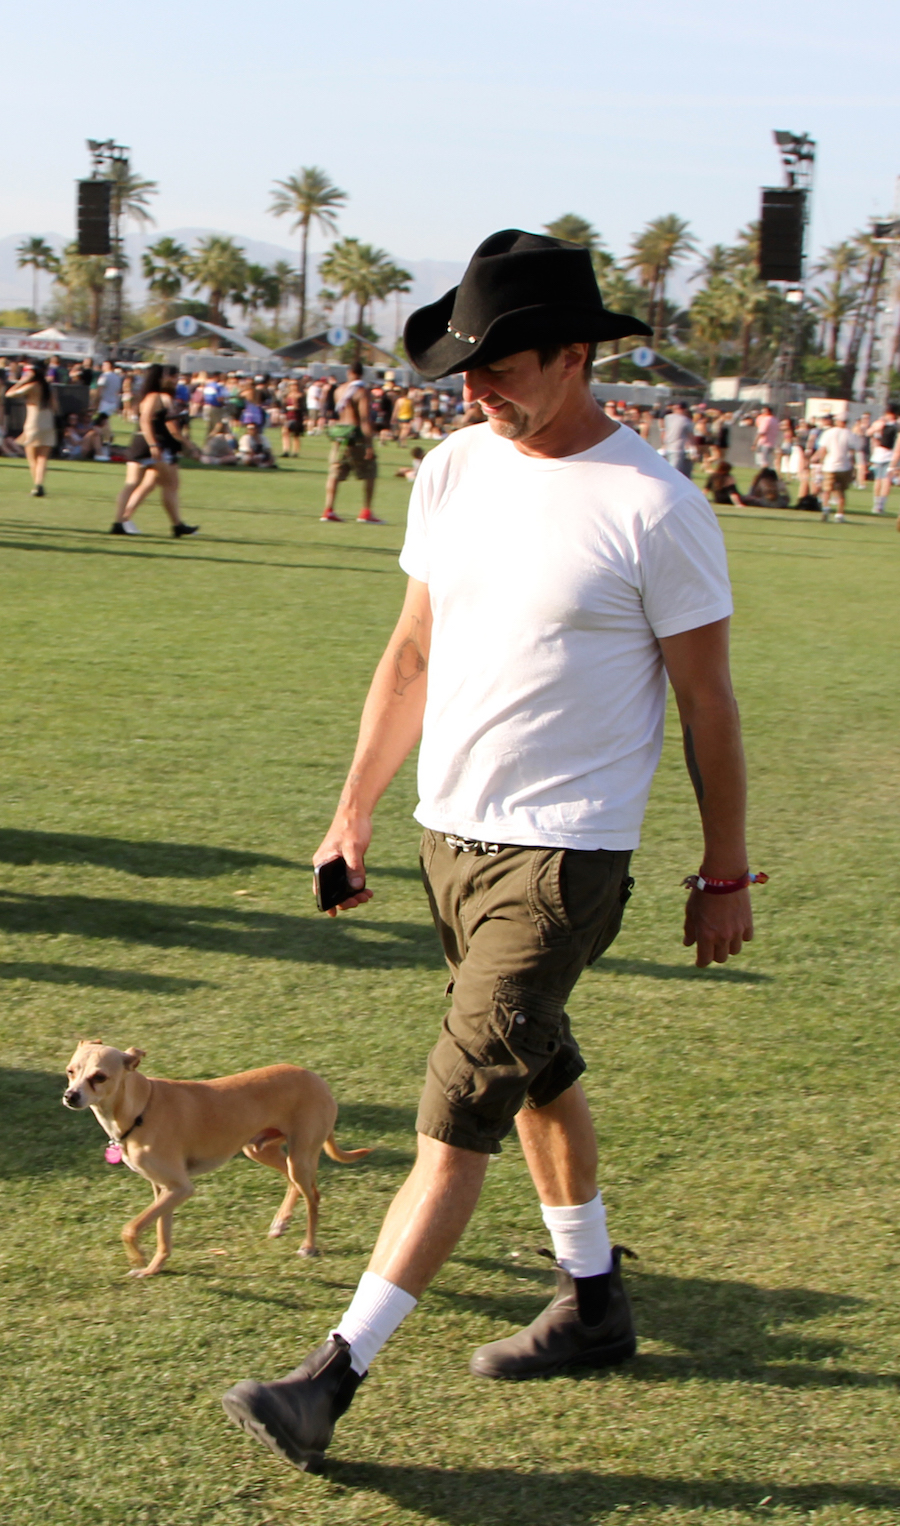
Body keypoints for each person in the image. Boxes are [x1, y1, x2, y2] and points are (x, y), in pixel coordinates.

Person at [222, 228, 759, 1472]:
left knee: (457, 1109)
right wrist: (354, 810)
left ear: (578, 356)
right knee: (538, 1068)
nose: (474, 388)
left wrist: (723, 868)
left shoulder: (657, 508)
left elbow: (711, 706)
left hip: (564, 856)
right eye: (464, 366)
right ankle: (594, 1299)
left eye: (501, 363)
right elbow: (412, 650)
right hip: (447, 838)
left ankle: (328, 1377)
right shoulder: (456, 466)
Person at [110, 364, 200, 537]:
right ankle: (177, 525)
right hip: (150, 444)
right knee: (170, 484)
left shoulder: (148, 396)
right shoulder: (156, 396)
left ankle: (120, 521)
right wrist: (154, 445)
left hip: (140, 443)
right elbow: (146, 421)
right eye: (171, 376)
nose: (174, 380)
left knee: (139, 483)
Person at [321, 360, 380, 523]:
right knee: (369, 473)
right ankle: (366, 511)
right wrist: (369, 444)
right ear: (362, 373)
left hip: (340, 435)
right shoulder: (362, 391)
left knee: (335, 473)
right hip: (356, 436)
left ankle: (329, 509)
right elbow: (364, 419)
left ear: (349, 372)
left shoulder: (339, 390)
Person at [5, 359, 55, 496]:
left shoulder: (32, 386)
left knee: (32, 457)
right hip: (48, 421)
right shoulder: (48, 387)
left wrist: (21, 381)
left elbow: (9, 394)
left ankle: (37, 485)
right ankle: (39, 483)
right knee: (43, 457)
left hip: (34, 422)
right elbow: (55, 407)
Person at [812, 413, 854, 522]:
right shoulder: (849, 434)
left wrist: (820, 463)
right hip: (844, 466)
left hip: (829, 465)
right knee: (841, 491)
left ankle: (826, 508)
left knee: (827, 490)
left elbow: (822, 450)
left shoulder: (828, 433)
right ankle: (840, 513)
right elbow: (854, 449)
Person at [867, 407, 898, 516]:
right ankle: (879, 505)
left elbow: (869, 433)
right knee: (883, 480)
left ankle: (877, 505)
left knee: (880, 479)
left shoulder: (884, 424)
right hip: (888, 454)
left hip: (881, 453)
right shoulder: (893, 426)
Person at [661, 401, 694, 477]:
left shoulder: (668, 418)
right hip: (677, 448)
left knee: (665, 470)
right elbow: (690, 436)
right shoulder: (686, 420)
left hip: (667, 446)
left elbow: (664, 430)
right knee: (674, 472)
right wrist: (693, 448)